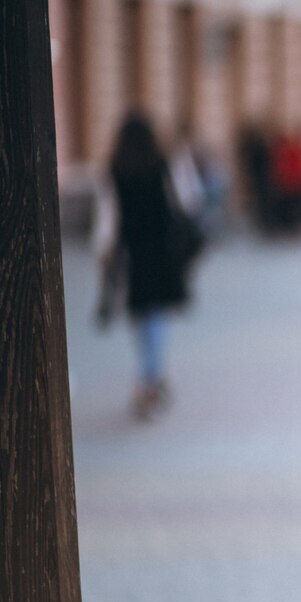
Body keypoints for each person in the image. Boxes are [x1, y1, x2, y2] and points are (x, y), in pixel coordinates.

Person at [98, 111, 196, 420]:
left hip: (133, 253)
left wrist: (104, 254)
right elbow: (188, 201)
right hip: (163, 251)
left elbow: (108, 219)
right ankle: (149, 379)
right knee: (156, 315)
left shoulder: (115, 169)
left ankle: (150, 376)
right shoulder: (164, 164)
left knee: (142, 314)